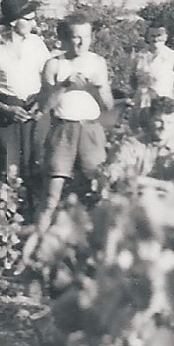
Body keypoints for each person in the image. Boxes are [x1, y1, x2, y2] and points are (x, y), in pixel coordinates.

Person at [37, 12, 114, 231]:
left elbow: (108, 106)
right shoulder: (54, 64)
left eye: (85, 37)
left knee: (99, 190)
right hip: (62, 130)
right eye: (74, 37)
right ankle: (37, 248)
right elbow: (44, 106)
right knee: (52, 195)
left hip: (91, 130)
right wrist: (64, 85)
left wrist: (99, 87)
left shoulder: (98, 62)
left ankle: (98, 245)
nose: (80, 43)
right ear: (64, 38)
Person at [0, 0, 53, 194]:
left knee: (37, 165)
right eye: (28, 19)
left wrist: (41, 103)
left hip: (33, 111)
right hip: (6, 114)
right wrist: (5, 109)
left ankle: (32, 217)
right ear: (13, 22)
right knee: (8, 170)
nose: (33, 23)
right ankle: (7, 217)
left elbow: (48, 79)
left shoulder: (37, 44)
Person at [111, 97, 174, 189]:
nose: (164, 127)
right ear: (150, 119)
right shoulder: (133, 144)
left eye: (169, 122)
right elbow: (117, 174)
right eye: (159, 121)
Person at [130, 21, 174, 109]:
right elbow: (132, 79)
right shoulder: (139, 56)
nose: (155, 39)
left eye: (159, 36)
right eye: (152, 36)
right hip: (142, 102)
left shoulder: (173, 56)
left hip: (163, 101)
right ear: (147, 37)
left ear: (165, 37)